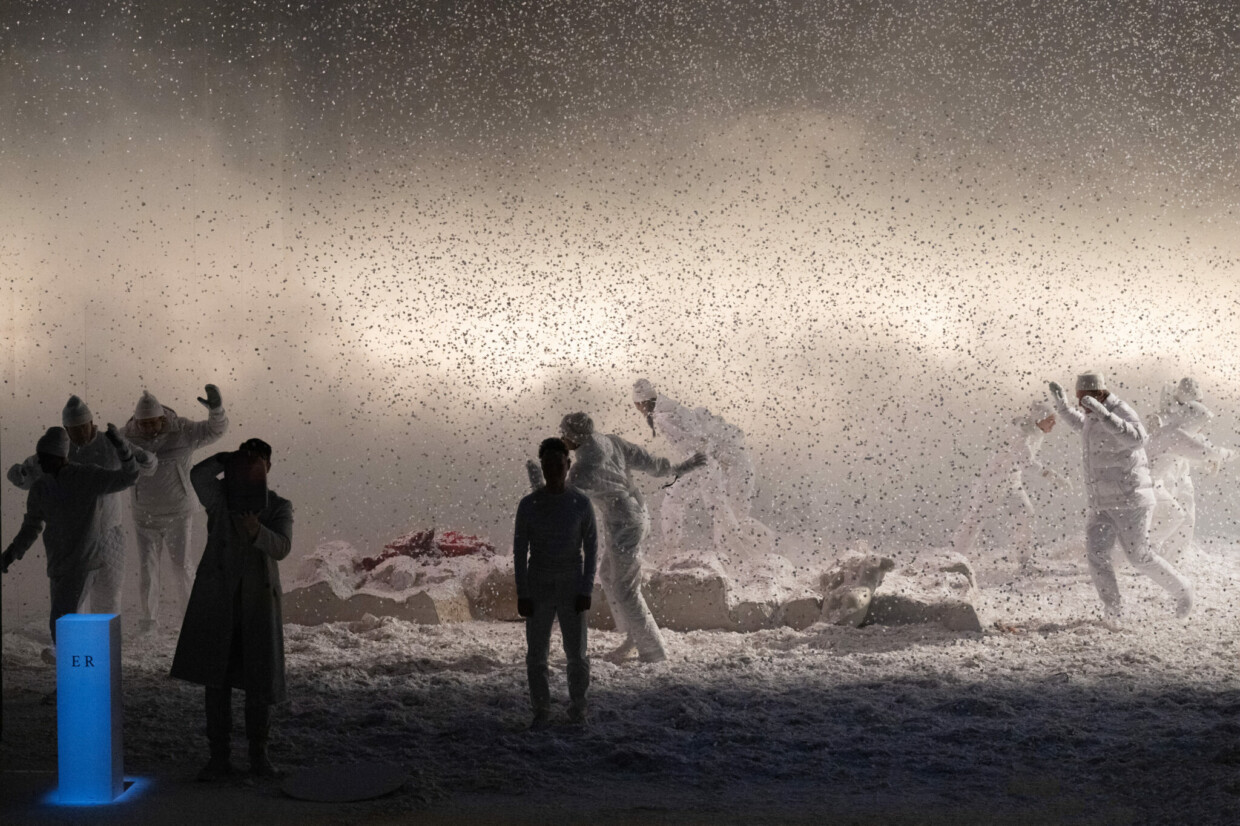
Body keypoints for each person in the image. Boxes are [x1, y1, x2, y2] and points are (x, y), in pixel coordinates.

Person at [170, 439, 292, 780]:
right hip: (219, 601)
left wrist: (257, 531)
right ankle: (218, 757)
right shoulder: (221, 497)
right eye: (246, 460)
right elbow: (197, 475)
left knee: (258, 683)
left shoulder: (279, 505)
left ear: (269, 466)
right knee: (216, 680)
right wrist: (227, 459)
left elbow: (282, 547)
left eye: (258, 461)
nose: (252, 466)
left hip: (257, 603)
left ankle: (259, 756)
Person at [551, 412, 705, 664]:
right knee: (610, 576)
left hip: (625, 525)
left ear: (574, 438)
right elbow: (650, 463)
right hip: (636, 515)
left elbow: (561, 499)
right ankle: (635, 636)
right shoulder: (612, 442)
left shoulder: (582, 471)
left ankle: (653, 650)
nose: (561, 437)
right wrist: (680, 467)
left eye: (564, 434)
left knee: (625, 589)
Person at [1049, 373, 1193, 623]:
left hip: (1131, 500)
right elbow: (1083, 426)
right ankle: (1113, 609)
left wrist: (1105, 416)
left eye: (1083, 398)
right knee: (1096, 554)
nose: (1081, 403)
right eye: (1078, 399)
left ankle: (1183, 591)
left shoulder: (1120, 410)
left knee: (1139, 557)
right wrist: (1063, 409)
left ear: (1099, 393)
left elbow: (1138, 439)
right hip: (1102, 503)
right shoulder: (1093, 415)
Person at [7, 395, 156, 616]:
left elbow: (145, 466)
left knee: (109, 594)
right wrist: (18, 474)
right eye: (71, 429)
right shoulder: (59, 451)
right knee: (72, 597)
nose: (77, 434)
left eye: (81, 428)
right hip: (73, 536)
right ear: (65, 428)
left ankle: (102, 644)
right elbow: (30, 475)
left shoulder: (110, 443)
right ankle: (71, 643)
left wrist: (137, 455)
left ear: (91, 423)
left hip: (108, 532)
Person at [1, 425, 139, 649]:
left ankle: (79, 676)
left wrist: (122, 448)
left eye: (44, 458)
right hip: (58, 564)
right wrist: (12, 553)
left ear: (59, 457)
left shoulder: (87, 476)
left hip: (83, 562)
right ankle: (76, 676)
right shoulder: (41, 488)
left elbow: (129, 477)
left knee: (65, 623)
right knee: (62, 623)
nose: (40, 463)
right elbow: (31, 526)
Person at [124, 385, 230, 633]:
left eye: (154, 423)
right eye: (144, 424)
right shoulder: (126, 438)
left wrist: (216, 410)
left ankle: (192, 619)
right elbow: (103, 451)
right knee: (148, 570)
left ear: (162, 418)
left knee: (182, 567)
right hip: (144, 516)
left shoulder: (182, 430)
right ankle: (149, 622)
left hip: (178, 513)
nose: (149, 428)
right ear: (136, 422)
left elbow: (215, 431)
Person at [631, 379, 772, 558]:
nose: (639, 410)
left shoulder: (665, 416)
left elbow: (698, 442)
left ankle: (673, 552)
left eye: (637, 406)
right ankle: (750, 553)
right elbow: (700, 441)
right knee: (720, 512)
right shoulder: (671, 410)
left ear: (640, 403)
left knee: (681, 503)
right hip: (708, 464)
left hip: (703, 465)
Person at [514, 437, 598, 728]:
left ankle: (578, 710)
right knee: (537, 655)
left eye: (558, 464)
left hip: (572, 586)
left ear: (567, 465)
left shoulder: (580, 504)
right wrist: (522, 592)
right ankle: (541, 711)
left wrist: (586, 589)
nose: (552, 469)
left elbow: (592, 550)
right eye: (547, 464)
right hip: (537, 586)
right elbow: (519, 551)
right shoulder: (529, 505)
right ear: (542, 465)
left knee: (576, 654)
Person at [951, 399, 1070, 565]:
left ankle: (1024, 560)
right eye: (1050, 420)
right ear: (1038, 419)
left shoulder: (1036, 432)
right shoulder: (1020, 433)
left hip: (1012, 483)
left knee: (1025, 514)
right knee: (975, 519)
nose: (1054, 424)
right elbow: (1026, 462)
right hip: (992, 482)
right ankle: (953, 558)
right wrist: (1051, 475)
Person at [1145, 378, 1233, 562]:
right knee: (1168, 515)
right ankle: (1151, 555)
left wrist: (1208, 459)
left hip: (1169, 475)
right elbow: (1194, 447)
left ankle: (1165, 556)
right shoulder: (1171, 424)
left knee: (1179, 515)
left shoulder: (1182, 424)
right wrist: (1216, 455)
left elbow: (1195, 445)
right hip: (1160, 476)